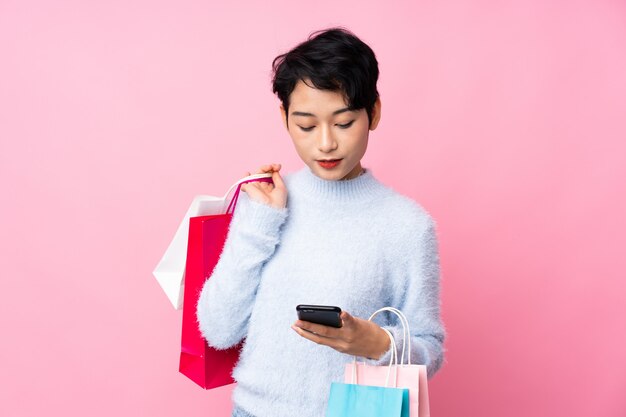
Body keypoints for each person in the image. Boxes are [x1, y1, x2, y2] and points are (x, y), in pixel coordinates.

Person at [196, 27, 445, 417]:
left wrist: (374, 341)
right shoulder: (264, 204)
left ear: (373, 112)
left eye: (344, 123)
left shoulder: (408, 226)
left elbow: (429, 350)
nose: (326, 143)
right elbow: (218, 329)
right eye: (306, 125)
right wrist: (260, 223)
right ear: (284, 117)